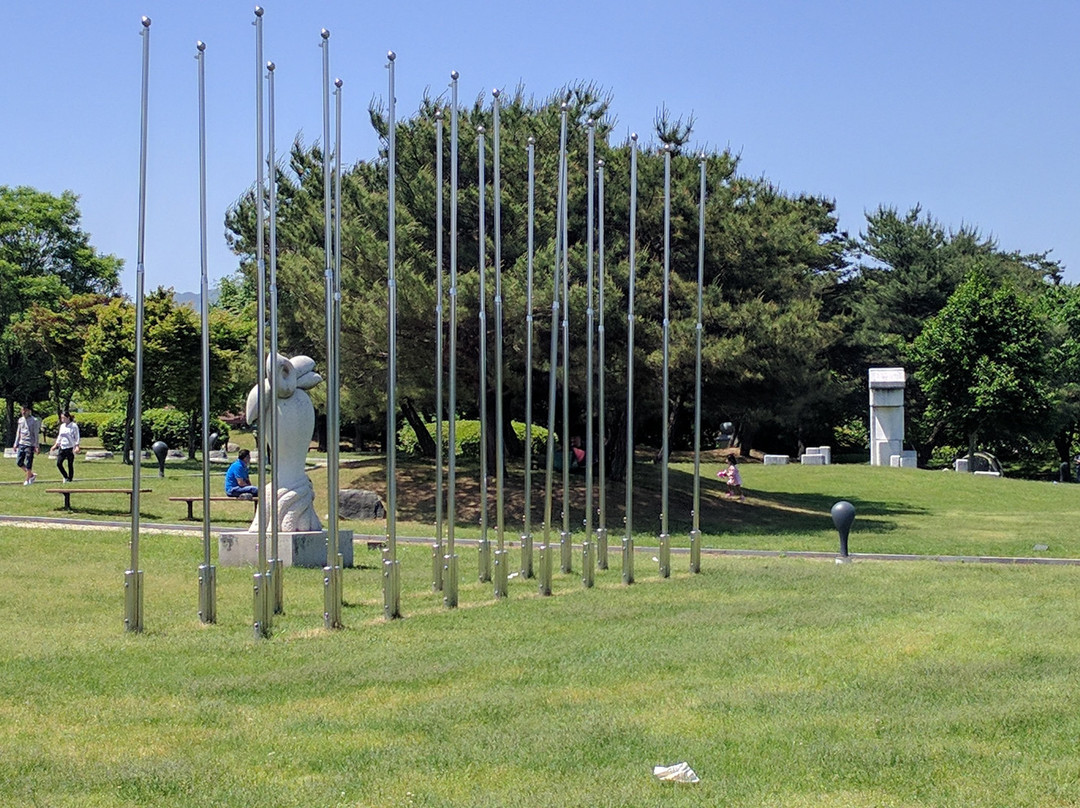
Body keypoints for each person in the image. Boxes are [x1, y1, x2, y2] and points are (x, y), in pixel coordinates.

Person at [13, 404, 40, 486]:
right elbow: (18, 432)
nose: (23, 412)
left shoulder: (34, 420)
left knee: (28, 462)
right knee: (19, 462)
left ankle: (27, 479)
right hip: (22, 443)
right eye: (22, 410)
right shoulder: (20, 420)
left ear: (29, 411)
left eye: (25, 410)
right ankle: (31, 475)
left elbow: (36, 434)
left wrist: (36, 445)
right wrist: (16, 443)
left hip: (30, 444)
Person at [51, 411, 81, 483]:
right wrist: (56, 445)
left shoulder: (73, 426)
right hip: (63, 446)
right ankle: (65, 476)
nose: (62, 419)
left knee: (70, 464)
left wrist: (77, 446)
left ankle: (70, 479)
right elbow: (60, 436)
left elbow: (77, 436)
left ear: (68, 417)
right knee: (59, 463)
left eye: (64, 418)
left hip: (70, 447)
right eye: (61, 418)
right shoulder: (62, 426)